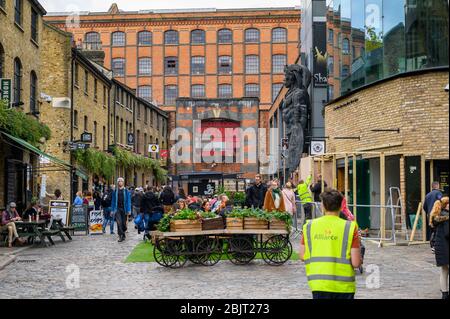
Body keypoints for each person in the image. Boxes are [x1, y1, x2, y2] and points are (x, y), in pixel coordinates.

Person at [300, 188, 361, 299]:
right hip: (344, 286)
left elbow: (302, 255)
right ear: (341, 205)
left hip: (319, 284)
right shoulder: (350, 227)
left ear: (323, 206)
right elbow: (356, 263)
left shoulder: (308, 226)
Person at [429, 197, 449, 299]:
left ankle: (444, 294)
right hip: (446, 246)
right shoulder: (446, 216)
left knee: (444, 270)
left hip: (440, 246)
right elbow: (447, 233)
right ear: (447, 205)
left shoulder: (438, 215)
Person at [111, 178, 132, 243]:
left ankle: (123, 232)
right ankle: (120, 236)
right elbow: (113, 201)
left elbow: (128, 201)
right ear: (117, 183)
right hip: (117, 209)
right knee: (118, 222)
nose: (120, 182)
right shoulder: (115, 191)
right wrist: (112, 210)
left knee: (123, 223)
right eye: (119, 181)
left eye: (121, 181)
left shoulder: (126, 191)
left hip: (124, 209)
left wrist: (129, 210)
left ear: (123, 182)